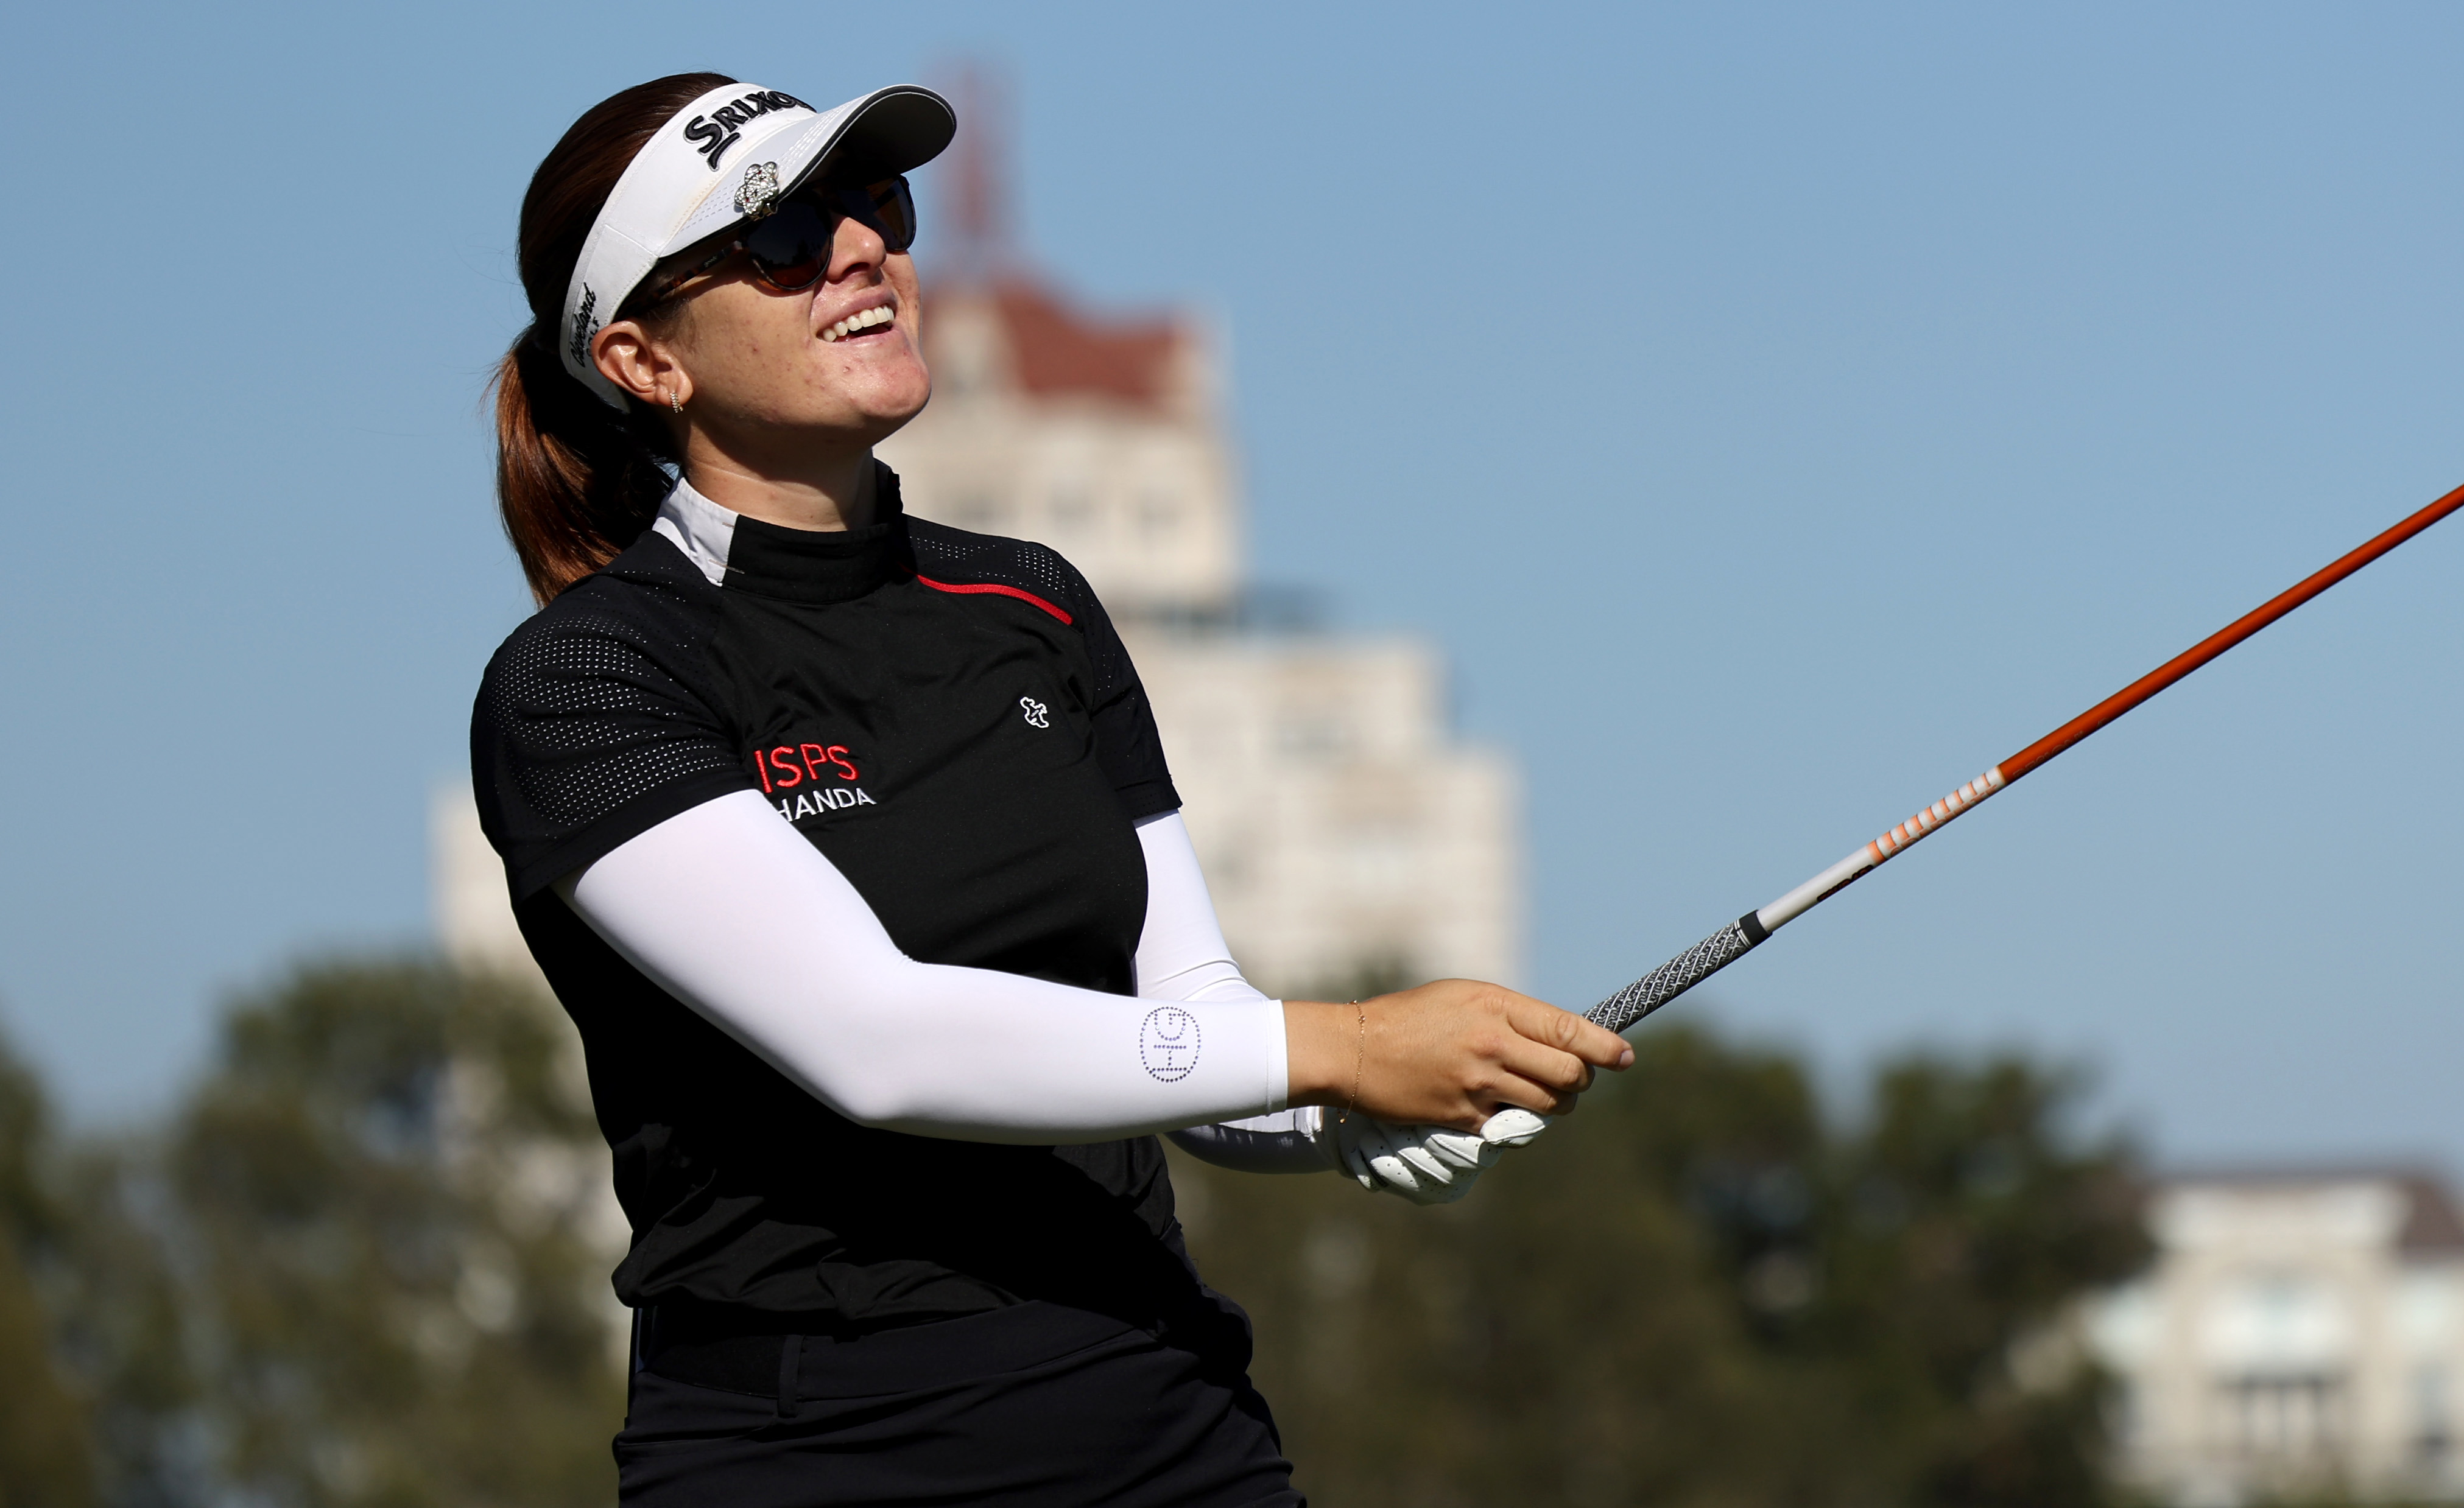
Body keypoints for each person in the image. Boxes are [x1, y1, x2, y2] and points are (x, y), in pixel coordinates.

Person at [471, 74, 1632, 1507]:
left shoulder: (1033, 603)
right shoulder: (586, 680)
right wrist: (1340, 1046)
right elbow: (877, 1043)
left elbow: (1184, 1022)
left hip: (1161, 1418)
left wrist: (1350, 1111)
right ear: (647, 362)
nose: (857, 249)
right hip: (814, 1456)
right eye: (777, 237)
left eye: (870, 205)